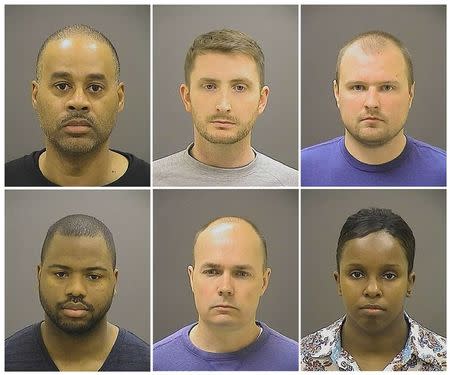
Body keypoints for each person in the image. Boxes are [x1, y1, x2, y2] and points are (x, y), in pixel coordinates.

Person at [301, 208, 446, 371]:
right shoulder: (301, 358)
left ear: (409, 283)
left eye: (389, 275)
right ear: (339, 282)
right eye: (356, 274)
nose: (372, 289)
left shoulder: (443, 360)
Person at [5, 24, 150, 186]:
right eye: (62, 86)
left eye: (95, 87)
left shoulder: (150, 179)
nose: (78, 102)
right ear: (35, 95)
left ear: (120, 98)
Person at [153, 29, 298, 187]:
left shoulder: (292, 182)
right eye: (209, 86)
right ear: (187, 97)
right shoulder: (152, 179)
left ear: (261, 100)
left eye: (240, 88)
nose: (223, 106)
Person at [5, 214, 150, 371]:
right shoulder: (6, 360)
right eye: (61, 274)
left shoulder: (148, 365)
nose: (76, 289)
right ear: (39, 275)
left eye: (93, 276)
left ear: (115, 281)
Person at [301, 31, 446, 186]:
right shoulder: (302, 172)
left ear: (410, 93)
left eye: (387, 87)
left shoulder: (444, 172)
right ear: (337, 92)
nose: (371, 103)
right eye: (358, 87)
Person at [153, 216, 298, 370]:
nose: (225, 287)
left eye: (241, 274)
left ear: (264, 282)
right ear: (192, 278)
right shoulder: (155, 363)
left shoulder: (296, 362)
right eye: (212, 272)